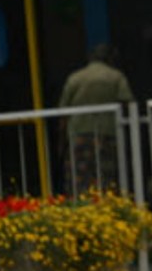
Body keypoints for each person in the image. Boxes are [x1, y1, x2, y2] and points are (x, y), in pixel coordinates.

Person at [56, 42, 135, 192]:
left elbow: (63, 113)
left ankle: (82, 207)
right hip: (108, 134)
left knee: (79, 177)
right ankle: (107, 205)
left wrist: (61, 142)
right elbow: (128, 104)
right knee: (107, 176)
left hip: (79, 135)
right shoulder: (116, 77)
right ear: (110, 59)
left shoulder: (75, 78)